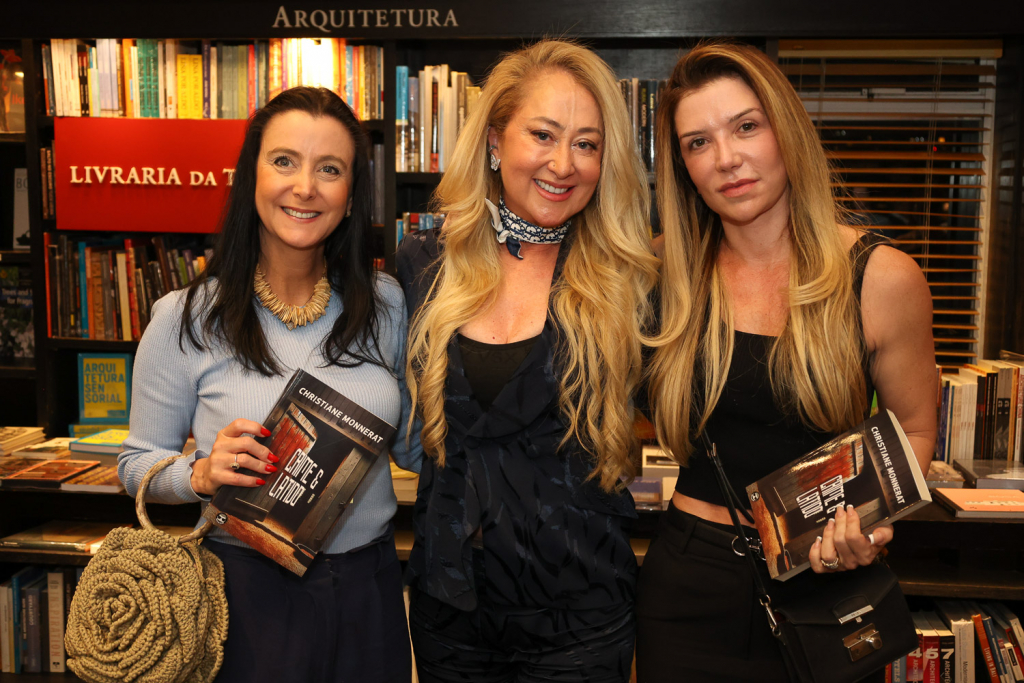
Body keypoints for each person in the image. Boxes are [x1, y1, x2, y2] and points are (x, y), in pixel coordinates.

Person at [637, 43, 936, 683]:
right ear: (682, 165)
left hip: (823, 586)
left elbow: (912, 434)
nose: (727, 159)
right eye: (697, 142)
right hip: (686, 586)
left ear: (786, 130)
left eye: (747, 126)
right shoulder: (659, 273)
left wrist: (865, 525)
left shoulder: (880, 277)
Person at [118, 86, 414, 683]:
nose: (305, 186)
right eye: (284, 161)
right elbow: (134, 465)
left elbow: (412, 447)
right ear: (250, 176)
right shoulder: (185, 317)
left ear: (350, 196)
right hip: (245, 595)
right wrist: (198, 474)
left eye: (329, 169)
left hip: (369, 589)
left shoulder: (385, 304)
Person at [393, 40, 659, 683]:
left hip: (581, 618)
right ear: (494, 142)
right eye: (543, 134)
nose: (564, 164)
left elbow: (699, 413)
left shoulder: (633, 278)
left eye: (587, 144)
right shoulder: (424, 263)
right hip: (448, 612)